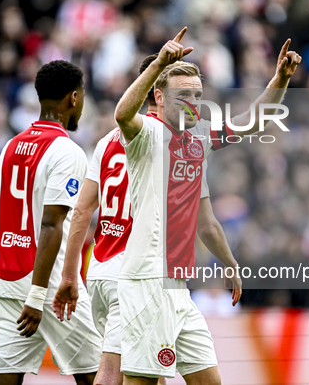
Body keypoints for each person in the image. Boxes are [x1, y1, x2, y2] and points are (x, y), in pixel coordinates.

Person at [113, 28, 301, 384]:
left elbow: (254, 122)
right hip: (148, 280)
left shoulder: (198, 136)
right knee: (143, 381)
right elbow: (123, 113)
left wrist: (280, 79)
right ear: (159, 96)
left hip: (179, 287)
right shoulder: (146, 133)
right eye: (183, 95)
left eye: (197, 96)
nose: (193, 103)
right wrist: (158, 66)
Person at [52, 54, 242, 385]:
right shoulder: (159, 138)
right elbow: (204, 220)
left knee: (150, 367)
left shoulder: (107, 142)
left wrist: (71, 272)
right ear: (155, 92)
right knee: (119, 371)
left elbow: (83, 210)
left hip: (102, 267)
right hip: (135, 270)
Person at [0, 60, 101, 385]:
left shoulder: (10, 146)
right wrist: (37, 296)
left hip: (7, 273)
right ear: (74, 98)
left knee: (4, 377)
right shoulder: (67, 151)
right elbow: (51, 224)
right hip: (48, 284)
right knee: (99, 374)